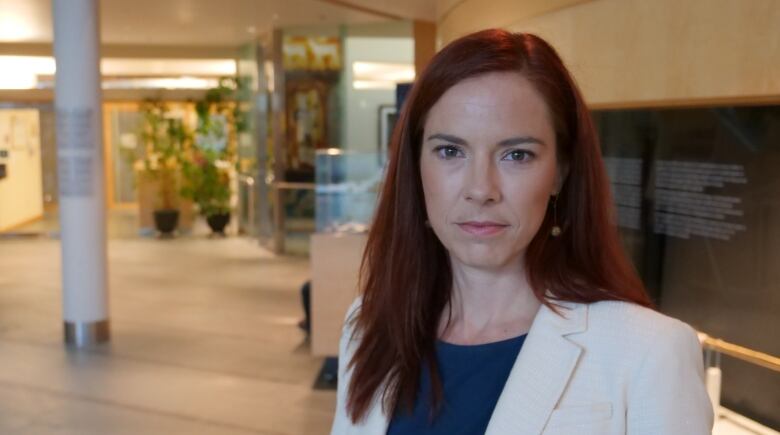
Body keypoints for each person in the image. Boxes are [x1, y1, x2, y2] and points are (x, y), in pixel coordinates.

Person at [330, 29, 714, 435]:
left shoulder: (648, 352)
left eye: (517, 155)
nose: (481, 189)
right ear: (415, 165)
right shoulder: (369, 323)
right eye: (450, 151)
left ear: (560, 173)